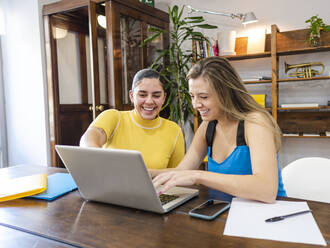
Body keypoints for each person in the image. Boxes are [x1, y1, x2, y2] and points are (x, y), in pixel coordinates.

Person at [152, 57, 286, 203]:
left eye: (203, 97)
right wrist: (143, 173)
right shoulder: (208, 126)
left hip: (268, 214)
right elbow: (180, 173)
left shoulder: (254, 123)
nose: (196, 105)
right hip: (225, 212)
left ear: (225, 93)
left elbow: (266, 190)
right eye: (192, 96)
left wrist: (198, 176)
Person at [80, 68, 185, 169]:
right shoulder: (114, 118)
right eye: (142, 95)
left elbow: (177, 175)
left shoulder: (174, 130)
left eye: (156, 96)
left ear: (164, 98)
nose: (149, 101)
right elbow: (87, 141)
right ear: (131, 96)